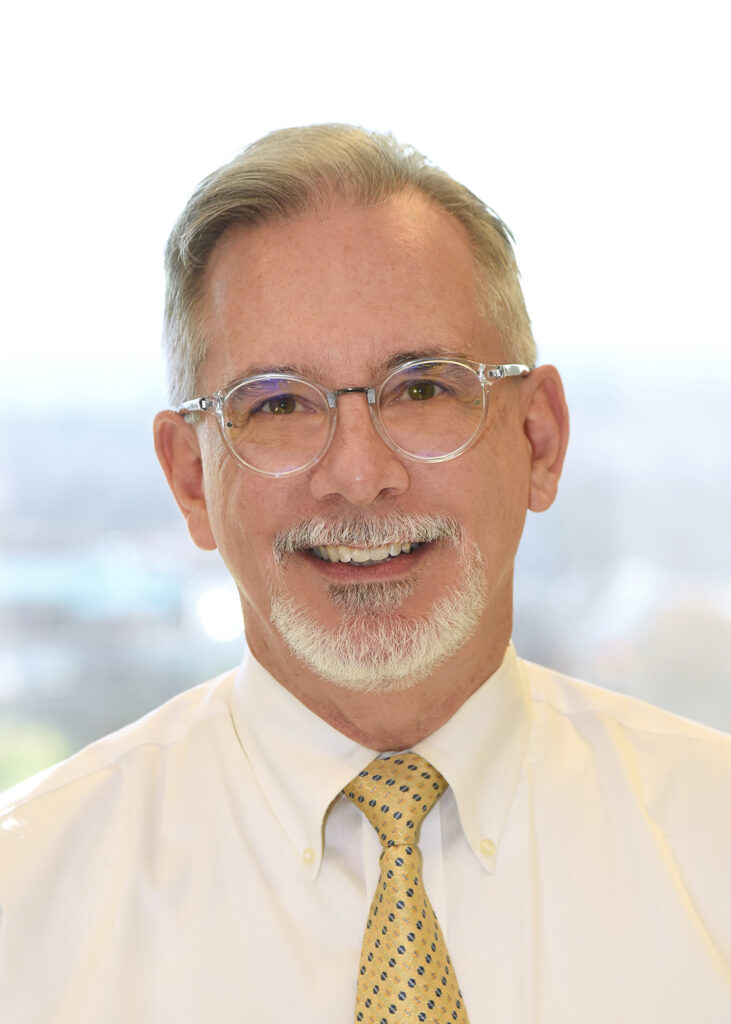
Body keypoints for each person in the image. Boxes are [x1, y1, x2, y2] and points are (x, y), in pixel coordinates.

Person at [1, 125, 730, 1023]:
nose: (357, 473)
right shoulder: (21, 905)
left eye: (421, 388)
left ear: (538, 440)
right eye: (277, 404)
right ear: (190, 478)